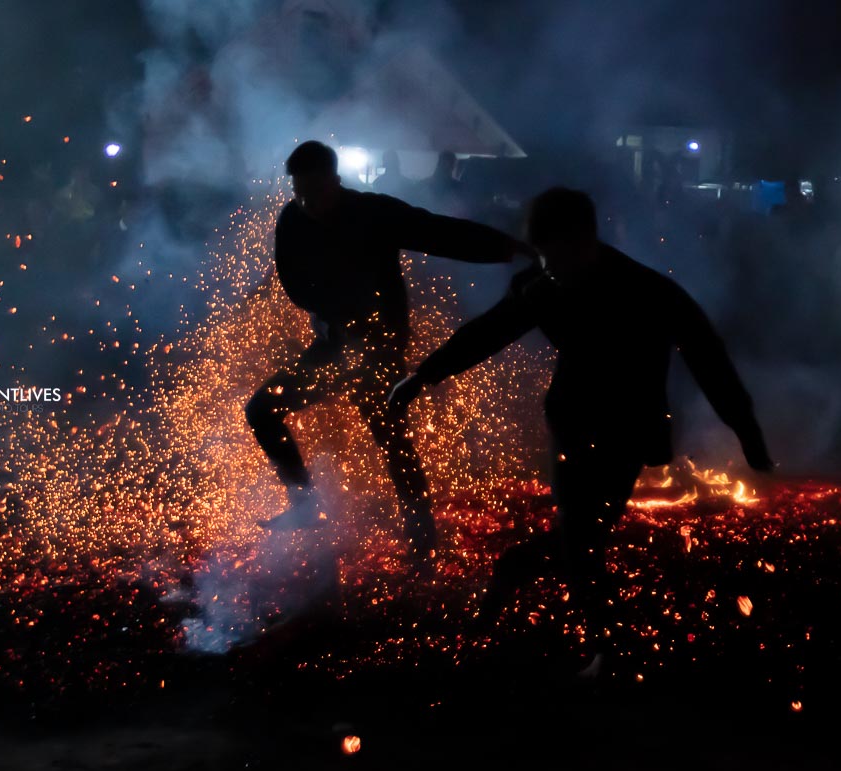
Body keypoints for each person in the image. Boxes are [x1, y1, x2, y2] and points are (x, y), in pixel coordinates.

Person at [390, 187, 773, 666]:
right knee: (578, 535)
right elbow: (488, 332)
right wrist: (423, 376)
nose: (549, 268)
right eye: (543, 256)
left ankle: (521, 576)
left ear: (585, 241)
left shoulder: (649, 292)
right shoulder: (543, 285)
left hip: (630, 429)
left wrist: (746, 431)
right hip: (571, 422)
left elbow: (709, 359)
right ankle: (602, 648)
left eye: (557, 256)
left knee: (583, 539)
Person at [247, 141, 529, 561]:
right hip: (333, 346)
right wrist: (333, 312)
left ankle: (422, 537)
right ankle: (304, 505)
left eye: (314, 193)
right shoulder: (292, 220)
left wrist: (513, 250)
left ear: (335, 181)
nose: (307, 203)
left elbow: (441, 233)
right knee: (261, 410)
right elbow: (293, 284)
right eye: (299, 194)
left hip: (379, 347)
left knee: (390, 435)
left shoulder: (373, 212)